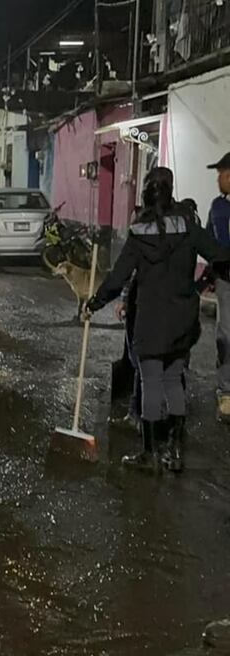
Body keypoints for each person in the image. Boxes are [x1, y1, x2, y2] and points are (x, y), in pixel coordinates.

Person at [84, 167, 230, 474]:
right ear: (171, 190)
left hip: (150, 320)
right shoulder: (188, 226)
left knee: (150, 383)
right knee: (173, 380)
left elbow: (118, 277)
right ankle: (175, 453)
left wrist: (93, 303)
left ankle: (149, 456)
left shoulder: (139, 233)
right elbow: (220, 256)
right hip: (182, 319)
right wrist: (201, 284)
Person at [206, 152, 230, 421]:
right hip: (226, 280)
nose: (218, 180)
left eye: (221, 174)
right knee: (226, 334)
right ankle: (227, 391)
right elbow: (209, 240)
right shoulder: (218, 207)